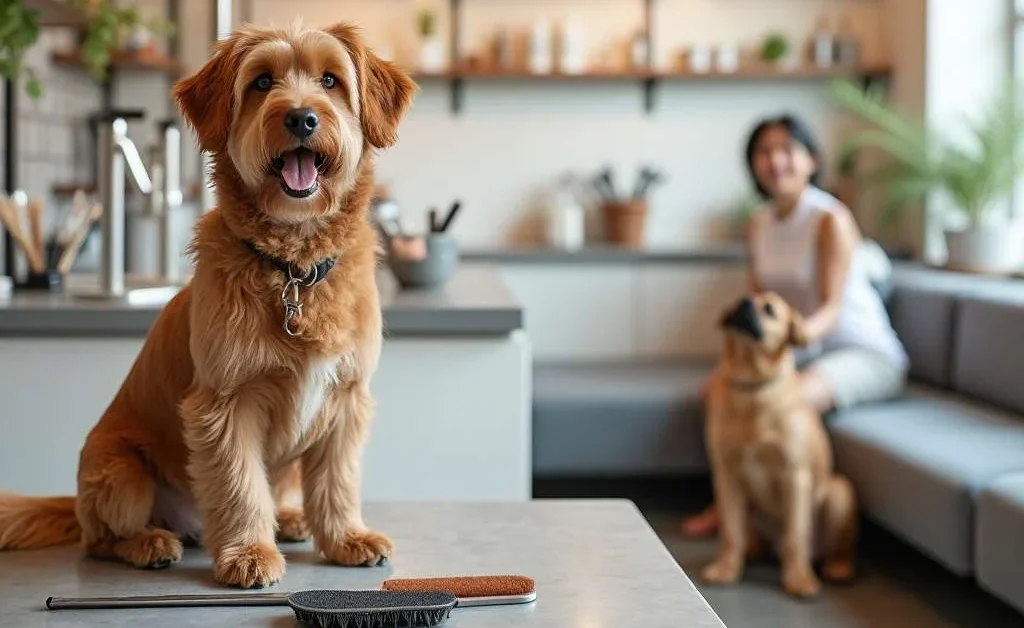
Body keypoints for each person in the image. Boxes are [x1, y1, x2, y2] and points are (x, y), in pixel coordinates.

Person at [682, 115, 909, 538]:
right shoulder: (759, 224)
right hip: (801, 350)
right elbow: (757, 303)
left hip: (860, 352)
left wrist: (791, 341)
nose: (775, 161)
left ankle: (795, 528)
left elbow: (831, 308)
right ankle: (730, 506)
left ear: (811, 160)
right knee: (717, 393)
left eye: (787, 150)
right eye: (764, 152)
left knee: (787, 400)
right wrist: (733, 365)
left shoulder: (829, 218)